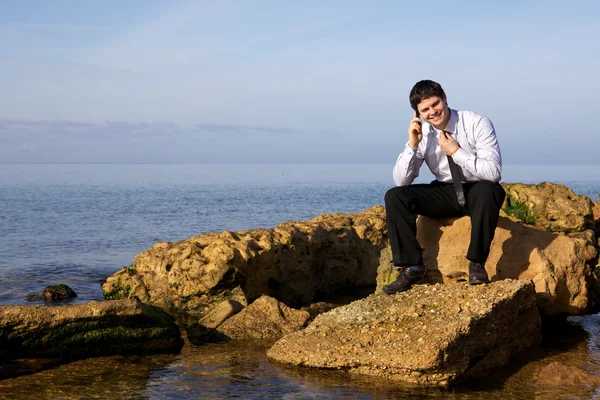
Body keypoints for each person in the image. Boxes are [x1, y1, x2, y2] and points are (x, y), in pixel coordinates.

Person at [383, 80, 505, 294]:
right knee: (395, 196)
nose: (432, 112)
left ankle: (476, 264)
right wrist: (412, 144)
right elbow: (401, 181)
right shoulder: (422, 133)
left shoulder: (477, 123)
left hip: (477, 189)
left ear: (444, 98)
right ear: (418, 113)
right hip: (444, 191)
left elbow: (493, 173)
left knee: (489, 189)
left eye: (435, 104)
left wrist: (456, 152)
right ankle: (413, 267)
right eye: (425, 110)